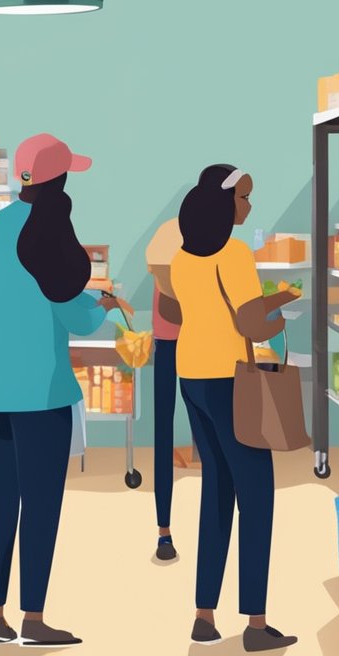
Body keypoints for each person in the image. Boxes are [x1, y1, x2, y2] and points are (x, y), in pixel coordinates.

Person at [0, 133, 119, 647]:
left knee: (1, 497)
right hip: (39, 390)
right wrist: (106, 303)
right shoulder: (47, 232)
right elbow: (74, 315)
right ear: (61, 180)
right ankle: (33, 620)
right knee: (42, 503)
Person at [169, 164, 301, 652]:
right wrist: (282, 310)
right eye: (244, 197)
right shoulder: (236, 252)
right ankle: (256, 623)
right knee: (257, 497)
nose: (249, 205)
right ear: (225, 203)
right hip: (233, 381)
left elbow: (184, 310)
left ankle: (204, 614)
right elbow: (250, 323)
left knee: (217, 493)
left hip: (192, 377)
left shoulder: (183, 257)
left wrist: (275, 296)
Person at [145, 218, 188, 561]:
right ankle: (164, 530)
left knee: (164, 433)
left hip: (169, 346)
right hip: (184, 345)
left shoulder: (165, 250)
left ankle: (164, 531)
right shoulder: (182, 252)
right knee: (173, 432)